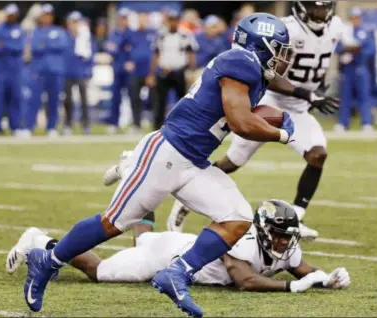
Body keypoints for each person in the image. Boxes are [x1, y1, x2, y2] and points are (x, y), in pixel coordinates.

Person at [21, 13, 304, 317]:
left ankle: (177, 273)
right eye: (279, 47)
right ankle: (47, 260)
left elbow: (244, 110)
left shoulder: (251, 70)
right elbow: (239, 121)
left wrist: (280, 109)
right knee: (114, 223)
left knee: (236, 217)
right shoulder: (242, 62)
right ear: (260, 45)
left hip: (193, 160)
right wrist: (282, 133)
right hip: (168, 152)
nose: (283, 56)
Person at [167, 1, 342, 241]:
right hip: (270, 101)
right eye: (316, 8)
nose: (321, 14)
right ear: (301, 7)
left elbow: (317, 63)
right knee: (234, 161)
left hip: (300, 109)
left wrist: (316, 88)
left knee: (317, 154)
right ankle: (184, 201)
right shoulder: (285, 29)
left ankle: (298, 217)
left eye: (325, 8)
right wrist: (307, 93)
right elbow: (271, 72)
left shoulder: (336, 28)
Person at [7, 200, 350, 293]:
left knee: (143, 237)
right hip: (167, 256)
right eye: (277, 234)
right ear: (260, 230)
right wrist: (290, 287)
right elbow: (245, 280)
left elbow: (305, 270)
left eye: (286, 236)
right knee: (101, 272)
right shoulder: (241, 242)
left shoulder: (285, 244)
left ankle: (134, 175)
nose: (282, 242)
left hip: (177, 244)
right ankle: (41, 241)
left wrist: (327, 278)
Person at [148, 9, 198, 130]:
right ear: (167, 21)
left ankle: (184, 125)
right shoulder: (160, 34)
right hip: (163, 71)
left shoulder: (185, 34)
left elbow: (191, 53)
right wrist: (151, 73)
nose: (173, 23)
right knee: (160, 102)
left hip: (179, 71)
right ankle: (157, 127)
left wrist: (191, 71)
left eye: (175, 20)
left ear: (178, 21)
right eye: (170, 20)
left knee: (183, 100)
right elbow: (155, 54)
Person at [25, 4, 68, 137]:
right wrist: (49, 44)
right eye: (44, 15)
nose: (47, 18)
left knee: (54, 100)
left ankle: (51, 127)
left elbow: (63, 45)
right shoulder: (35, 31)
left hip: (55, 70)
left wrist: (46, 44)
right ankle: (29, 126)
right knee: (34, 99)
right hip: (39, 70)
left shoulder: (59, 31)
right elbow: (35, 48)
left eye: (49, 15)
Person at [0, 4, 25, 137]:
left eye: (14, 15)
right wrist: (9, 46)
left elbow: (19, 48)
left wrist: (5, 45)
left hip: (15, 70)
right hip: (0, 70)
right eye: (9, 15)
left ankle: (15, 127)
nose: (11, 17)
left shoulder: (19, 30)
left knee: (15, 98)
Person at [335, 7, 375, 132]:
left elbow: (370, 50)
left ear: (360, 18)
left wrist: (358, 53)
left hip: (360, 67)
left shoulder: (364, 32)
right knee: (345, 97)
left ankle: (366, 123)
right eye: (353, 18)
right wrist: (344, 52)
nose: (355, 20)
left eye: (357, 18)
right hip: (347, 69)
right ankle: (343, 123)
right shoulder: (345, 31)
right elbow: (337, 47)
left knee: (364, 96)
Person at [64, 11, 95, 136]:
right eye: (73, 22)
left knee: (84, 100)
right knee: (68, 101)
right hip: (68, 72)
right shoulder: (64, 36)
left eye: (77, 22)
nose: (75, 25)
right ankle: (68, 124)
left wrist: (89, 70)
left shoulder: (86, 37)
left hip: (81, 73)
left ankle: (86, 125)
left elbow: (91, 54)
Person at [125, 12, 156, 134]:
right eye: (140, 19)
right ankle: (136, 124)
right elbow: (122, 49)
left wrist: (154, 70)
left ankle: (156, 124)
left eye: (144, 19)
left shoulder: (153, 33)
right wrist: (127, 61)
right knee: (134, 98)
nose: (142, 22)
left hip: (150, 71)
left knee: (154, 98)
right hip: (136, 71)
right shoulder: (131, 34)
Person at [103, 8, 131, 135]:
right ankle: (114, 123)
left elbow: (134, 50)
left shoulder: (131, 33)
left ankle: (133, 124)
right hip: (117, 68)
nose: (123, 20)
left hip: (129, 69)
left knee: (132, 97)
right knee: (116, 97)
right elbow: (110, 48)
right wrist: (121, 46)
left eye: (125, 18)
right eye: (121, 18)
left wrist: (119, 46)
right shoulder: (115, 33)